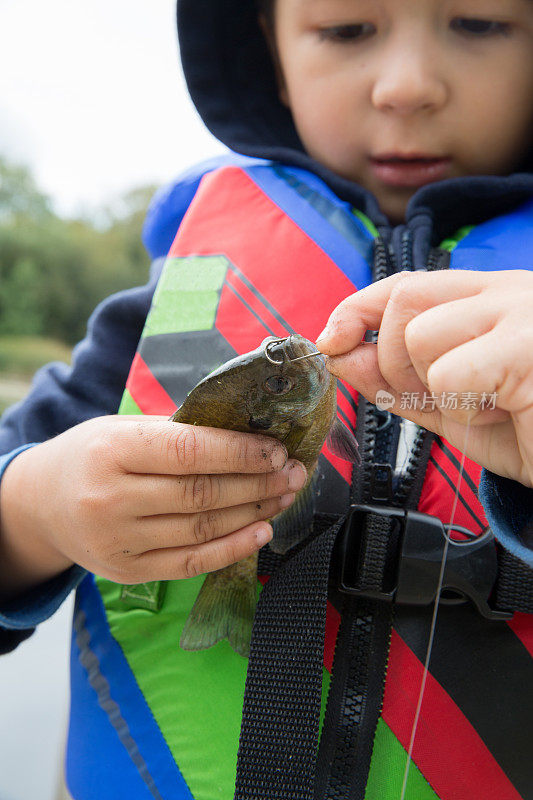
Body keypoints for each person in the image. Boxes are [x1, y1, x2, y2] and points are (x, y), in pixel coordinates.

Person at [0, 1, 532, 798]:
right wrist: (36, 512)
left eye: (479, 23)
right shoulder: (172, 290)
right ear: (267, 51)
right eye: (348, 29)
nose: (406, 86)